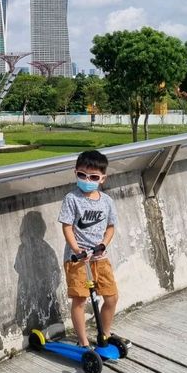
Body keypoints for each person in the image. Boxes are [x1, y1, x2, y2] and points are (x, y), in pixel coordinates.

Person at [58, 149, 118, 347]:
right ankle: (83, 342)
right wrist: (76, 250)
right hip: (78, 260)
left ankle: (105, 335)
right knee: (80, 300)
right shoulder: (72, 198)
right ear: (76, 173)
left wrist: (103, 245)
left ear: (102, 178)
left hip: (99, 258)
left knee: (111, 297)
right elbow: (67, 226)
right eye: (82, 175)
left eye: (93, 177)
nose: (87, 179)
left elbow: (110, 227)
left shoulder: (107, 201)